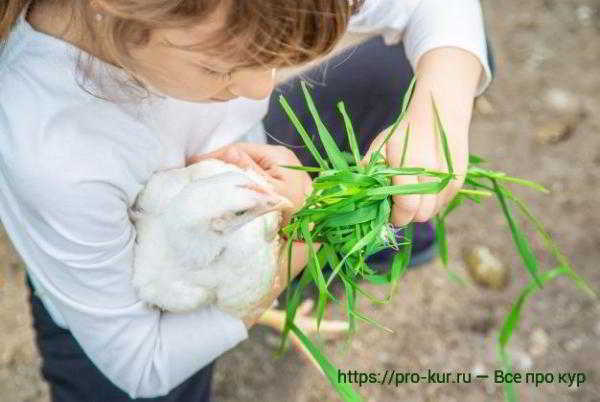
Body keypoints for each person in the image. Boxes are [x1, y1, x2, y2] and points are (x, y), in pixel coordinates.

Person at [0, 0, 492, 401]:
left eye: (271, 56)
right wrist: (311, 227)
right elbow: (142, 361)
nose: (263, 85)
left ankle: (378, 240)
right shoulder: (52, 154)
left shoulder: (207, 33)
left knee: (439, 61)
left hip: (259, 176)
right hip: (136, 294)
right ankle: (309, 266)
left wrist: (437, 114)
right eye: (218, 65)